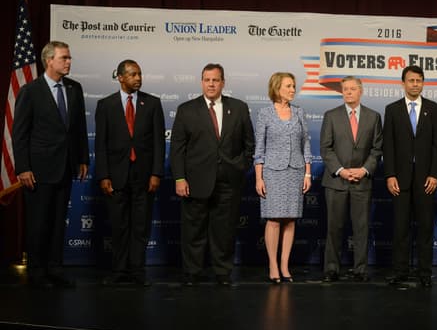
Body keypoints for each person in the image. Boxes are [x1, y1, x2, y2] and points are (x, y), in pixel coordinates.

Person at [12, 41, 89, 288]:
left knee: (58, 222)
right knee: (39, 223)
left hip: (66, 167)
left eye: (69, 58)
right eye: (64, 58)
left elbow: (79, 129)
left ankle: (55, 269)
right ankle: (37, 272)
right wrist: (23, 167)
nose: (68, 62)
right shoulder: (30, 91)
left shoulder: (75, 89)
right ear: (49, 60)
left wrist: (83, 159)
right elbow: (20, 134)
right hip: (38, 170)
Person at [170, 63, 255, 286]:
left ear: (223, 83)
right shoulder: (186, 110)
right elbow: (177, 149)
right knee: (193, 231)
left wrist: (240, 167)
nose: (211, 84)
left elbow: (249, 144)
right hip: (195, 182)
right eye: (207, 79)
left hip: (229, 181)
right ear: (201, 82)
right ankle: (192, 273)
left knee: (224, 231)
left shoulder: (238, 108)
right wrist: (180, 178)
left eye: (215, 80)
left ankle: (222, 272)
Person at [95, 59, 165, 286]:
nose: (138, 78)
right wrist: (104, 175)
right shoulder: (105, 105)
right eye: (133, 75)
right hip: (116, 176)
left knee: (140, 226)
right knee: (119, 226)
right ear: (121, 77)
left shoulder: (152, 104)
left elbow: (158, 143)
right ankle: (119, 271)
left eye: (140, 74)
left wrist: (156, 173)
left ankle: (137, 271)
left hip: (144, 177)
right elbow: (101, 145)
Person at [383, 65, 437, 288]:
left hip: (425, 180)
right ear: (403, 83)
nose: (415, 84)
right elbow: (388, 146)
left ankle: (424, 273)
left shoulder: (435, 110)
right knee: (400, 228)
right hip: (399, 180)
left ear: (423, 83)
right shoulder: (392, 110)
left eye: (419, 80)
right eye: (411, 80)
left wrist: (435, 175)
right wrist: (390, 175)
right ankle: (400, 271)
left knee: (426, 228)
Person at [320, 76, 383, 282]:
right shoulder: (331, 115)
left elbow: (376, 149)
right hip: (337, 181)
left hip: (362, 182)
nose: (348, 92)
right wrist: (340, 170)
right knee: (334, 228)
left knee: (361, 227)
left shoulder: (373, 117)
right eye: (345, 89)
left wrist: (365, 170)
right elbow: (326, 148)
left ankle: (360, 270)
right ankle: (331, 269)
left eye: (352, 89)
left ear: (360, 91)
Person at [254, 72, 312, 284]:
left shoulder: (299, 112)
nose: (292, 90)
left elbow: (306, 144)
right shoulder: (265, 114)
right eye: (288, 86)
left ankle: (285, 265)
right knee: (273, 220)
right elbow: (259, 149)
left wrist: (307, 172)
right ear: (277, 88)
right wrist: (259, 178)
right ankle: (272, 265)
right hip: (272, 172)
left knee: (290, 220)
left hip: (295, 172)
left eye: (294, 86)